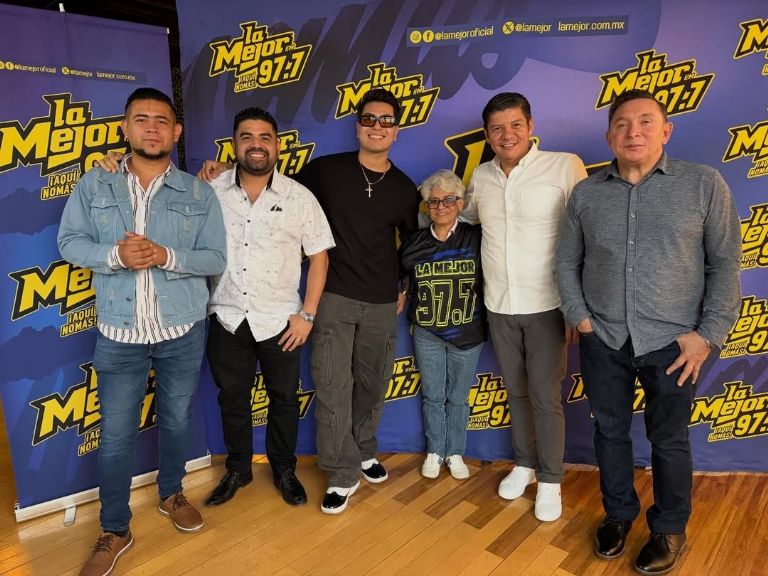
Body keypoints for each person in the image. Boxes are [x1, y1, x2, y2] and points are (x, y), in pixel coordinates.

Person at [555, 89, 741, 574]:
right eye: (621, 124)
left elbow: (725, 265)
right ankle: (617, 514)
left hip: (675, 343)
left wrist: (707, 334)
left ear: (666, 131)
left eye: (644, 122)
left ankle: (669, 527)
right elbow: (566, 262)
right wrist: (581, 319)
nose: (632, 132)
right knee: (609, 432)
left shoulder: (704, 184)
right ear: (609, 136)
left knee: (669, 438)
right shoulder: (587, 194)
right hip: (604, 337)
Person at [57, 87, 226, 576]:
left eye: (162, 120)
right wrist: (114, 255)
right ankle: (114, 528)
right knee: (115, 436)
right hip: (119, 333)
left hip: (182, 330)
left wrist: (165, 255)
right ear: (125, 128)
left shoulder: (199, 192)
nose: (152, 128)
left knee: (175, 421)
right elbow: (69, 242)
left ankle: (172, 493)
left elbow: (216, 257)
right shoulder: (96, 183)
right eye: (141, 119)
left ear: (177, 131)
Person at [462, 92, 587, 522]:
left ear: (530, 126)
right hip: (499, 304)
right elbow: (465, 218)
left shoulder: (564, 166)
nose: (507, 134)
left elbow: (586, 234)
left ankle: (550, 479)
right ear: (487, 135)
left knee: (545, 397)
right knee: (515, 391)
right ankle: (525, 464)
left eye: (515, 124)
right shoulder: (481, 176)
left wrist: (575, 306)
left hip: (548, 305)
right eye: (497, 128)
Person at [295, 88, 420, 513]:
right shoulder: (326, 171)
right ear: (358, 126)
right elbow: (278, 192)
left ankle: (364, 448)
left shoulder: (404, 188)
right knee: (332, 386)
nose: (377, 127)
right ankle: (340, 472)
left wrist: (404, 286)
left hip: (382, 303)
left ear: (396, 131)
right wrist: (224, 171)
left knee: (373, 384)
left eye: (386, 121)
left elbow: (412, 245)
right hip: (333, 297)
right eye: (369, 119)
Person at [203, 107, 334, 508]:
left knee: (284, 399)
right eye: (247, 137)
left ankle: (284, 469)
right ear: (234, 144)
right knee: (232, 398)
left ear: (277, 146)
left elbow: (320, 258)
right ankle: (238, 469)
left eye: (265, 138)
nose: (256, 145)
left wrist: (307, 314)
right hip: (226, 316)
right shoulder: (210, 189)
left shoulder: (299, 197)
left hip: (281, 321)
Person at [400, 170, 486, 480]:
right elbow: (401, 274)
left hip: (467, 331)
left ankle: (455, 451)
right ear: (426, 207)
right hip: (428, 331)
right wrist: (401, 289)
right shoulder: (414, 243)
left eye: (449, 200)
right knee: (433, 396)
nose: (441, 207)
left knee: (458, 398)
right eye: (433, 201)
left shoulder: (477, 237)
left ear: (461, 203)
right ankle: (435, 451)